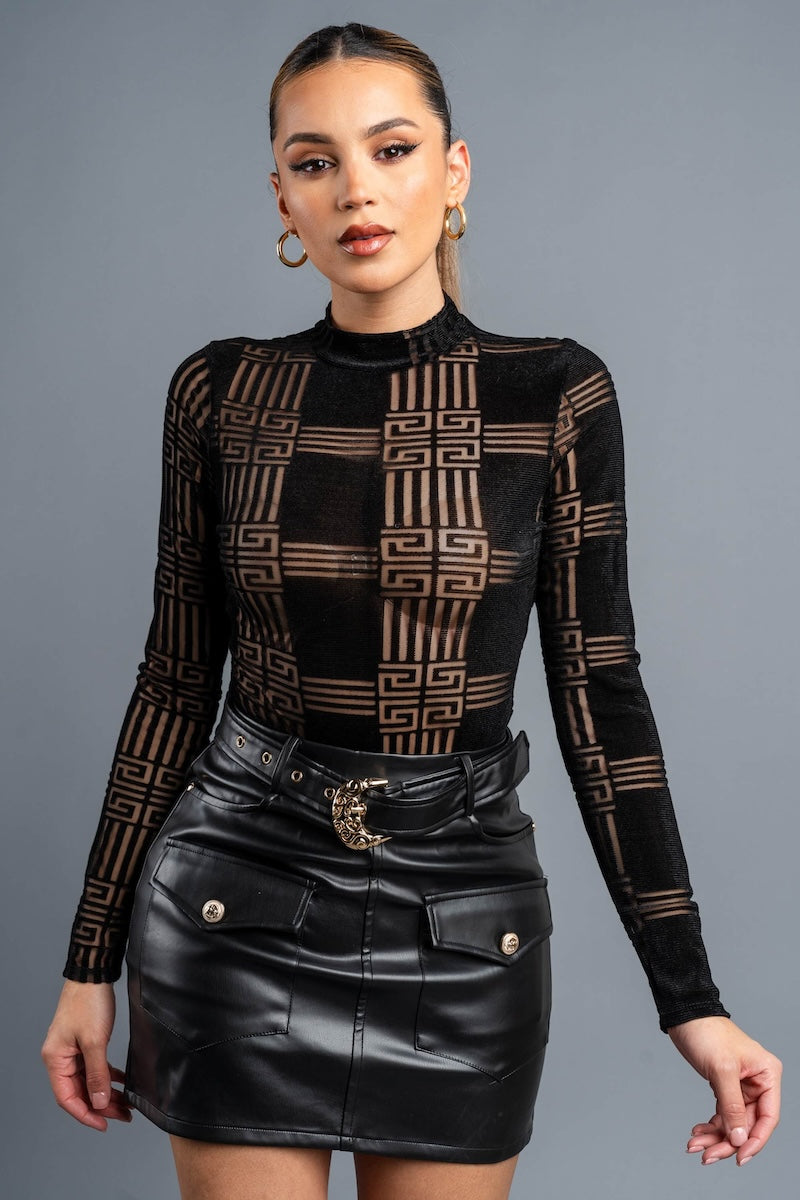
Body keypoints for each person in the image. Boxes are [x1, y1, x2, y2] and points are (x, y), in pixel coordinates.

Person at [41, 22, 781, 1200]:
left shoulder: (552, 394)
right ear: (281, 198)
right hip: (235, 898)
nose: (356, 189)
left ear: (454, 169)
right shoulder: (222, 392)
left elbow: (600, 698)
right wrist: (87, 964)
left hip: (463, 916)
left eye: (390, 149)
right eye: (315, 160)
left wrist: (688, 998)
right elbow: (174, 682)